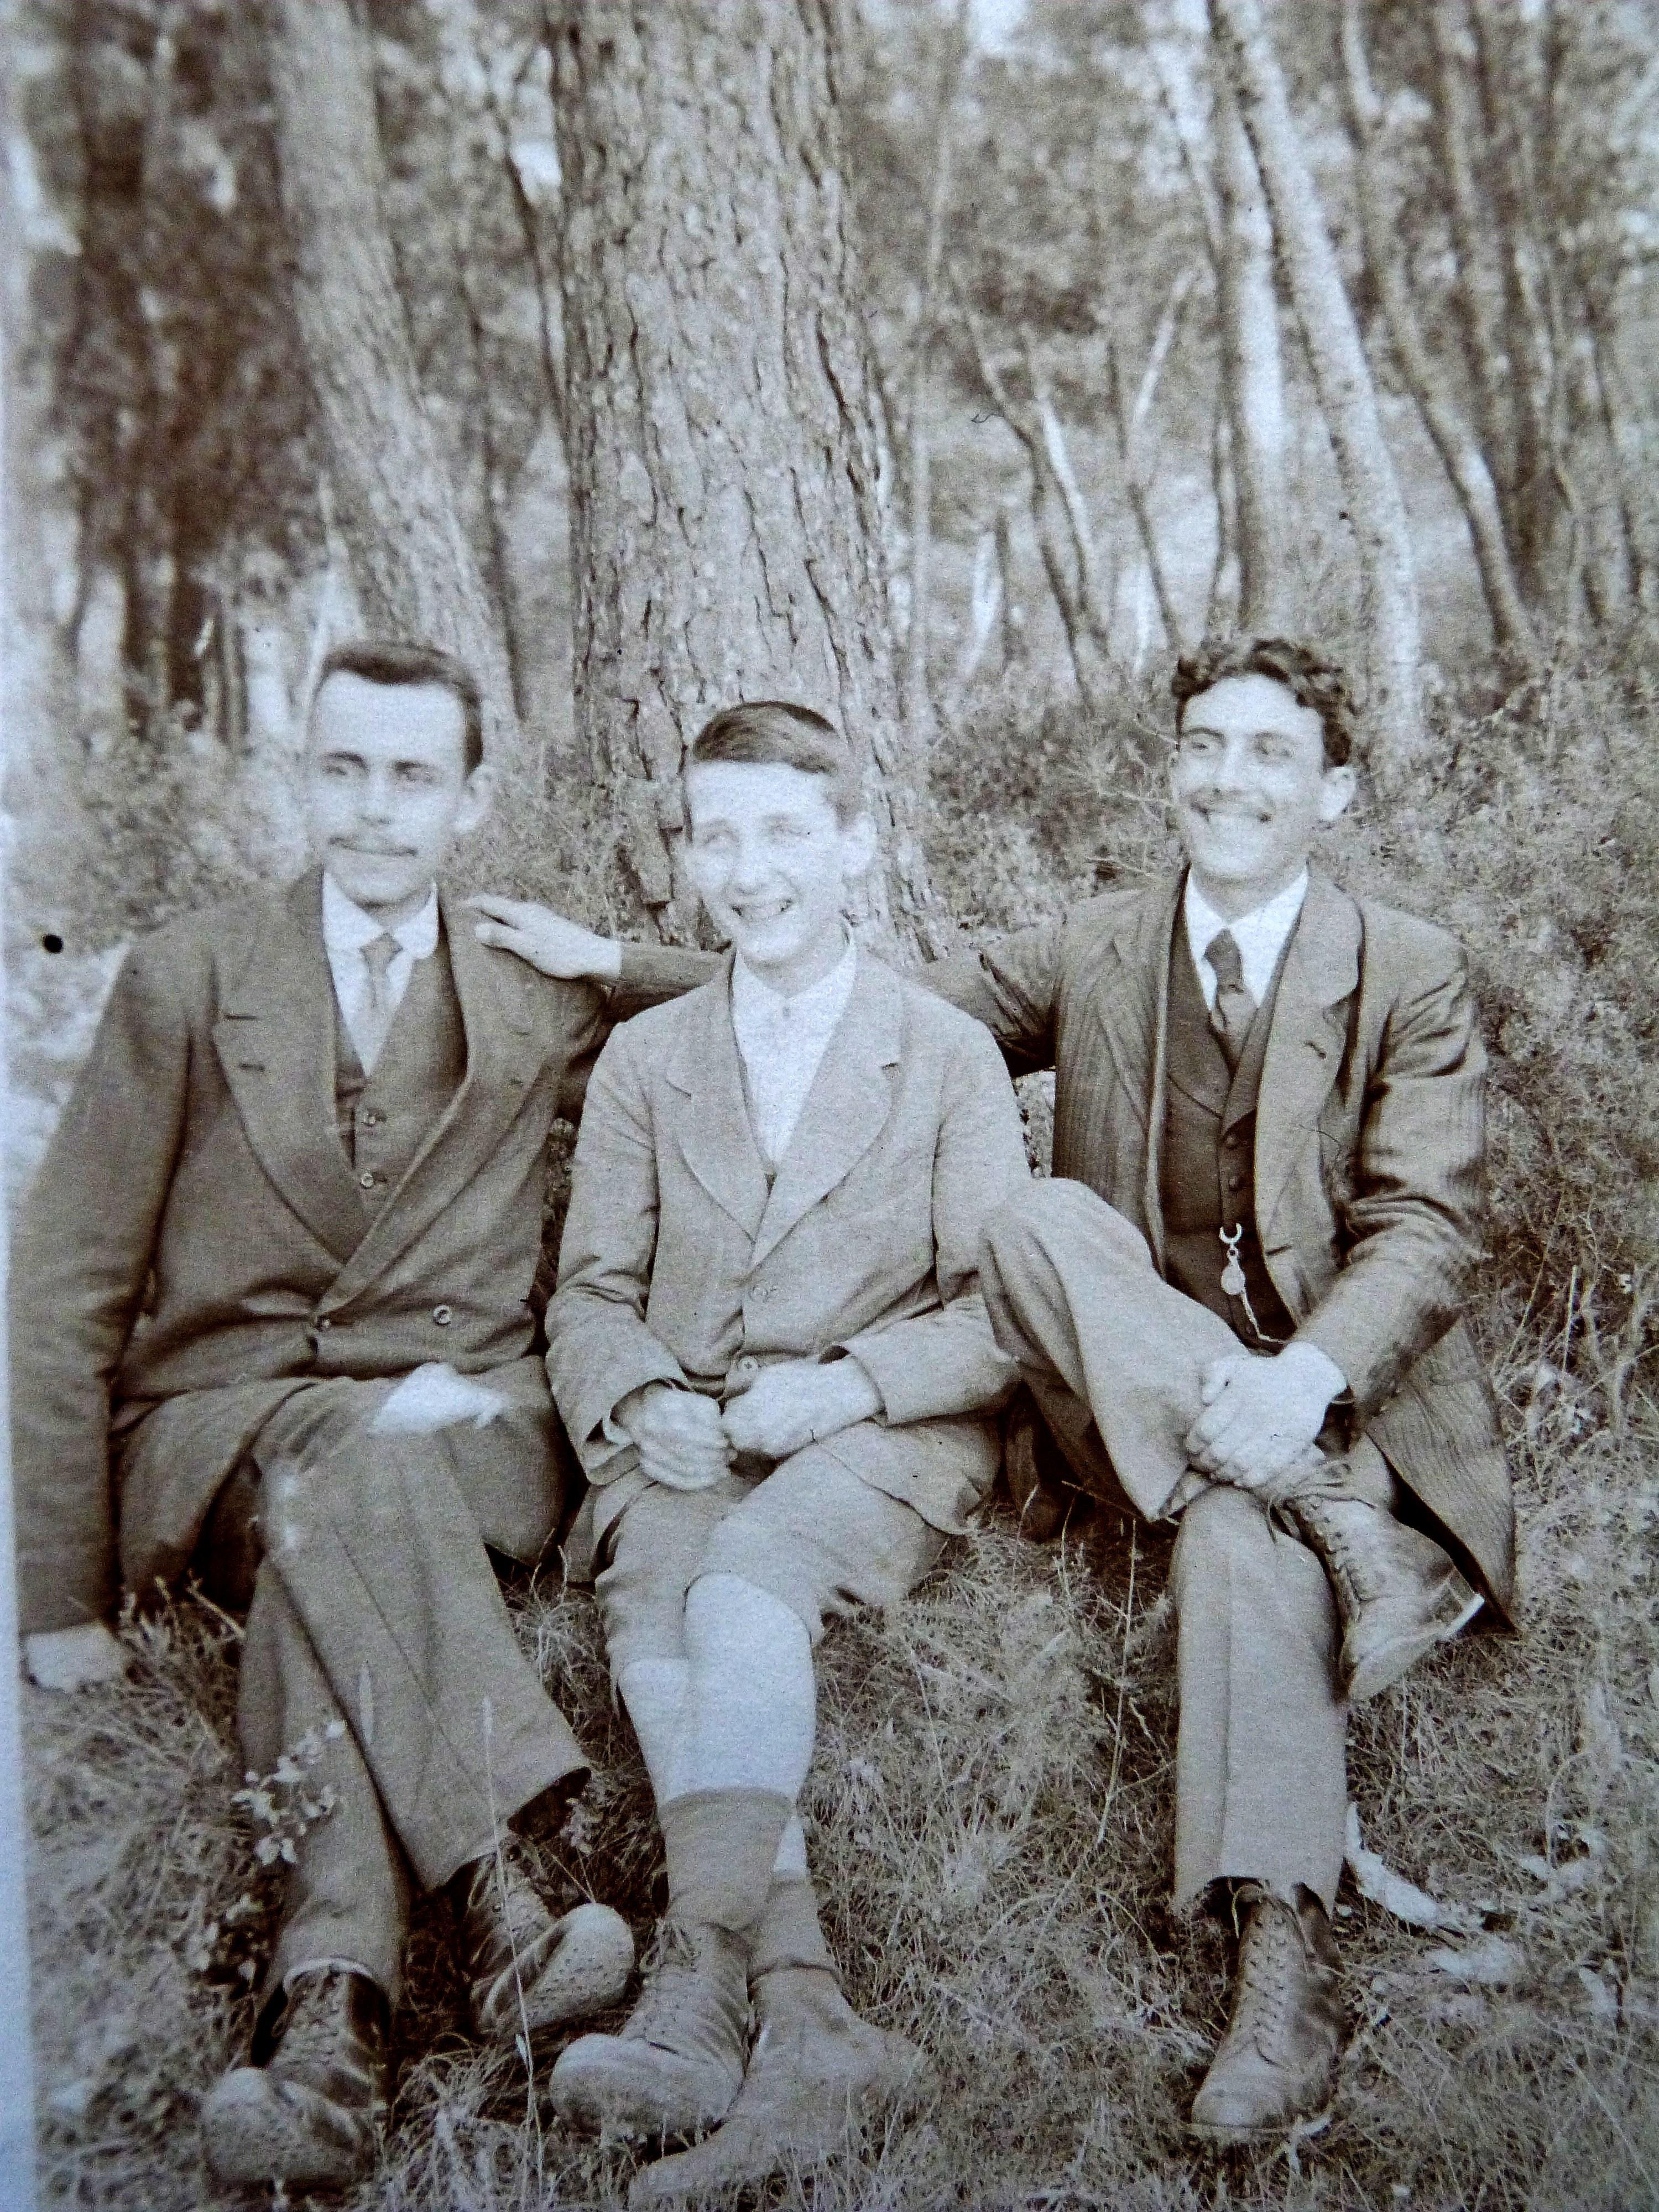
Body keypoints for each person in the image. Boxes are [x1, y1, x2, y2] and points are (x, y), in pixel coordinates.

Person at [12, 639, 704, 2191]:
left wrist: (614, 958)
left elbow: (777, 996)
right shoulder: (189, 975)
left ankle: (329, 2020)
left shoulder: (532, 987)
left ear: (471, 802)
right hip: (229, 1429)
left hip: (474, 1425)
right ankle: (501, 1889)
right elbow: (60, 1288)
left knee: (337, 1510)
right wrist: (56, 1595)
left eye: (411, 777)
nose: (375, 809)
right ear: (303, 776)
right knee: (335, 1471)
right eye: (344, 769)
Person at [927, 635, 1515, 2144]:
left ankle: (1280, 1960)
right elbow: (878, 1015)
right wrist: (622, 975)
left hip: (1336, 1397)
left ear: (1337, 790)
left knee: (1236, 1539)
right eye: (1204, 745)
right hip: (1143, 1392)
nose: (1228, 780)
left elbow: (1429, 1226)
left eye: (1271, 753)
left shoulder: (1409, 967)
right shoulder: (1098, 946)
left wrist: (1305, 1379)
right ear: (1171, 769)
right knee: (1034, 1224)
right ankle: (1334, 1521)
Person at [530, 700, 1031, 2198]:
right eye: (719, 839)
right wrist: (640, 1397)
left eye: (787, 835)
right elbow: (590, 1293)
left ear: (855, 845)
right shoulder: (648, 1059)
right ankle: (805, 2019)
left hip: (883, 1435)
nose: (750, 874)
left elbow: (1000, 1316)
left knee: (745, 1583)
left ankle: (697, 1976)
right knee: (659, 1585)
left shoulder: (943, 1055)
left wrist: (851, 1386)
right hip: (693, 1433)